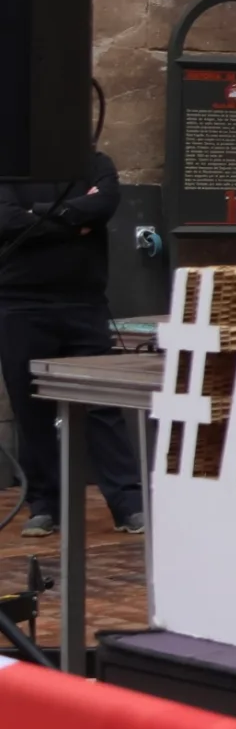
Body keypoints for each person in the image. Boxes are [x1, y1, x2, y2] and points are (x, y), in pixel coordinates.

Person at [1, 146, 144, 536]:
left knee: (102, 404)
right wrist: (72, 219)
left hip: (83, 302)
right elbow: (7, 220)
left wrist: (37, 218)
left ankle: (129, 504)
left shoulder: (94, 163)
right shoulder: (10, 167)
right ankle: (45, 506)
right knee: (32, 409)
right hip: (20, 304)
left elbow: (104, 206)